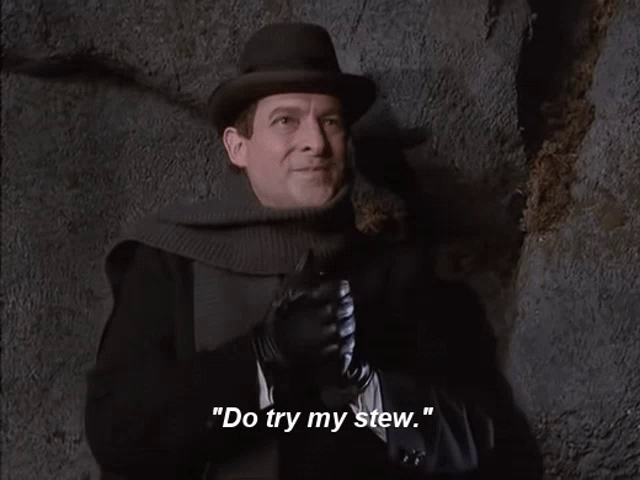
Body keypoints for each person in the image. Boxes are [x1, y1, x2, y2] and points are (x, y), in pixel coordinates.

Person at [85, 22, 541, 479]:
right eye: (286, 121)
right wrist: (263, 357)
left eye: (331, 121)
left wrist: (366, 387)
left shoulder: (401, 276)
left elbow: (486, 445)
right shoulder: (170, 262)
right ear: (238, 146)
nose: (316, 142)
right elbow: (117, 433)